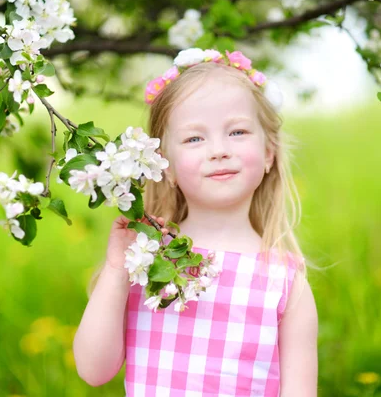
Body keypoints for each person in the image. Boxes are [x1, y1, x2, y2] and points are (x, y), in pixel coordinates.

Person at [73, 48, 319, 396]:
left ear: (268, 154)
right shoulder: (147, 259)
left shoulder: (283, 281)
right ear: (166, 167)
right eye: (194, 138)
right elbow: (93, 370)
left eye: (237, 132)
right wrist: (116, 269)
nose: (218, 150)